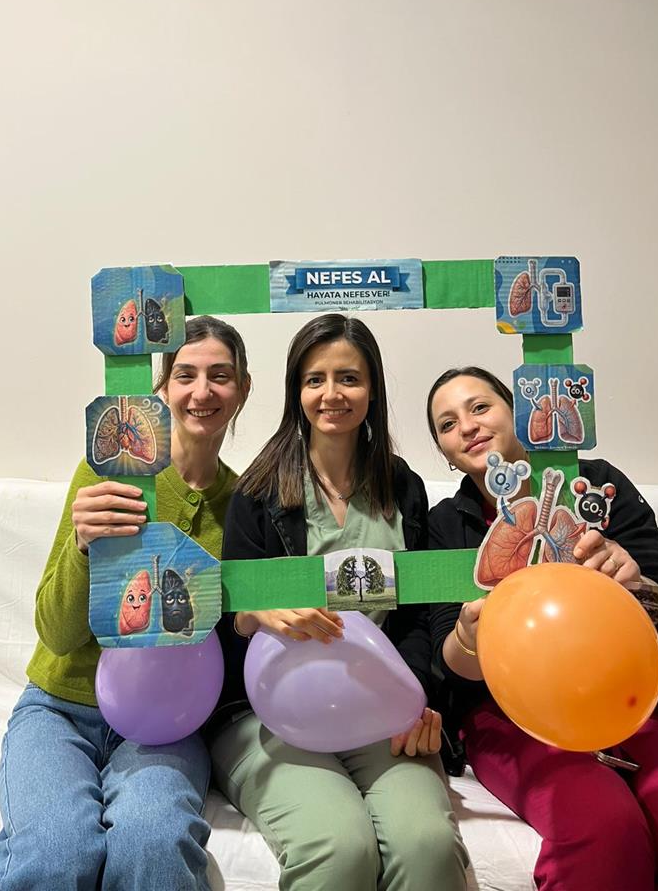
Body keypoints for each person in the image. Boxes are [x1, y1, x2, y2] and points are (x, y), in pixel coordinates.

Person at [0, 316, 251, 891]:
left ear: (243, 389)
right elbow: (55, 632)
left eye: (220, 376)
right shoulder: (110, 474)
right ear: (162, 388)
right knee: (57, 849)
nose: (202, 391)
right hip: (61, 708)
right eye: (185, 375)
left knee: (155, 840)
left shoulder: (246, 505)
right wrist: (83, 545)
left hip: (167, 726)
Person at [208, 313, 468, 891]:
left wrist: (416, 699)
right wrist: (254, 615)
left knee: (427, 846)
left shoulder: (403, 487)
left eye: (348, 378)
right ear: (296, 392)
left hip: (378, 709)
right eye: (314, 379)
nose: (331, 394)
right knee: (339, 848)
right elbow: (226, 626)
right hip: (269, 711)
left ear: (372, 389)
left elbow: (416, 619)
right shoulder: (256, 492)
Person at [425, 365, 658, 891]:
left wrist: (635, 586)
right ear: (445, 452)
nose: (467, 426)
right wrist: (468, 637)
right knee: (603, 826)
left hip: (629, 698)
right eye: (447, 423)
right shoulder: (446, 524)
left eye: (480, 407)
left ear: (517, 413)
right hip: (509, 716)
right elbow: (447, 671)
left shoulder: (595, 486)